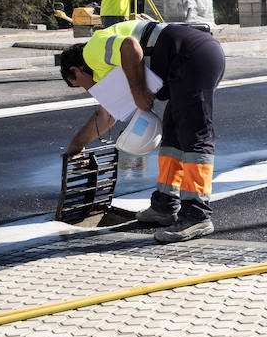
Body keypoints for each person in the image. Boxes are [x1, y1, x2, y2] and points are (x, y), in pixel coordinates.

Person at [60, 20, 225, 242]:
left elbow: (129, 45)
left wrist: (138, 91)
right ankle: (165, 206)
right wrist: (77, 145)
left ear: (75, 70)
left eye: (79, 84)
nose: (88, 90)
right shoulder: (107, 68)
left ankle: (197, 214)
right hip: (186, 59)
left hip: (192, 55)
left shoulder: (92, 51)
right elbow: (107, 114)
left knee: (194, 135)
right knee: (173, 137)